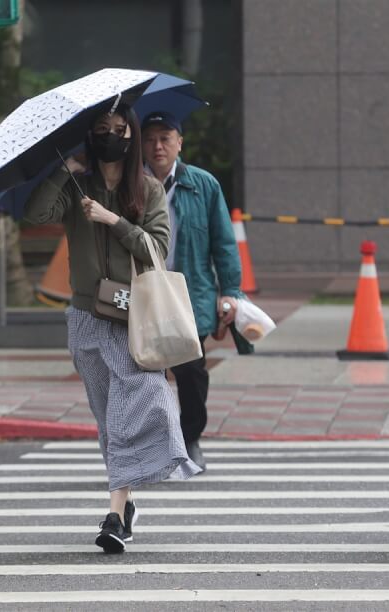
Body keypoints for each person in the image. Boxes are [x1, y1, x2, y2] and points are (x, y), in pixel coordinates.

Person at [24, 102, 200, 554]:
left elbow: (157, 248)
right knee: (108, 421)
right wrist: (65, 173)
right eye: (102, 128)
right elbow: (37, 215)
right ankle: (125, 508)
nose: (111, 135)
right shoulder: (77, 181)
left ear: (132, 134)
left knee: (139, 403)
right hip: (85, 318)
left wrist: (113, 220)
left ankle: (115, 514)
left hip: (132, 319)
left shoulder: (148, 187)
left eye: (120, 129)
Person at [141, 110, 243, 471]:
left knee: (191, 371)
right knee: (145, 374)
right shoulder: (129, 186)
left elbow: (224, 243)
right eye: (150, 138)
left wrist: (230, 292)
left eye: (165, 138)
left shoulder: (203, 184)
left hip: (189, 293)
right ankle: (155, 444)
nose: (158, 146)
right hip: (144, 294)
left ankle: (191, 438)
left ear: (179, 143)